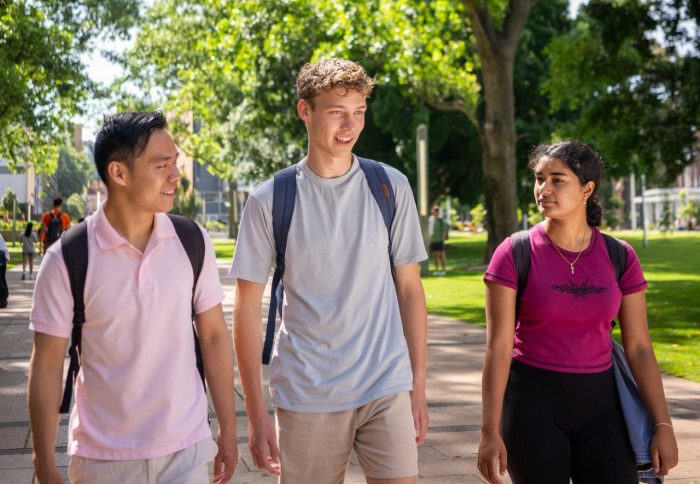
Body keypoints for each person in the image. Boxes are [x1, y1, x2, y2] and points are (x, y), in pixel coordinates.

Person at [231, 58, 429, 483]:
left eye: (358, 112)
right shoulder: (270, 200)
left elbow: (410, 290)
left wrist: (418, 382)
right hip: (308, 393)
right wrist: (256, 412)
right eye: (337, 111)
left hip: (385, 384)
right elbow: (246, 307)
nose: (350, 125)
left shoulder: (390, 187)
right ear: (305, 110)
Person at [29, 111, 238, 484]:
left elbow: (214, 336)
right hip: (103, 459)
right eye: (162, 165)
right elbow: (46, 364)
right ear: (119, 173)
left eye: (175, 162)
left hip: (185, 449)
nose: (176, 175)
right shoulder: (68, 259)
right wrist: (43, 463)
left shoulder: (192, 242)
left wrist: (227, 426)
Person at [478, 140, 679, 484]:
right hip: (532, 405)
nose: (544, 189)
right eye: (540, 179)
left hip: (604, 408)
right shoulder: (514, 252)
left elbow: (640, 347)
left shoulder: (620, 256)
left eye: (558, 180)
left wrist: (663, 425)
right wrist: (488, 432)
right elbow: (498, 347)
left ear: (587, 188)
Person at [428, 205, 448, 275]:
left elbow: (444, 230)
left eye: (435, 210)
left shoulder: (441, 220)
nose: (434, 212)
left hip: (440, 241)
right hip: (433, 241)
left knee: (441, 256)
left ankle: (443, 270)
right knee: (435, 256)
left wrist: (442, 239)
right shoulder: (431, 219)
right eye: (433, 210)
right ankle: (436, 270)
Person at [0, 234, 9, 308]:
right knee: (2, 279)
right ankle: (3, 299)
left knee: (1, 280)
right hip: (2, 259)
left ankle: (2, 299)